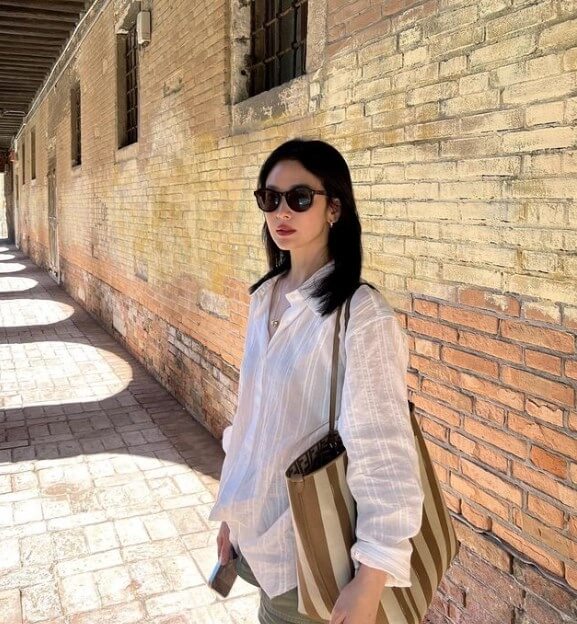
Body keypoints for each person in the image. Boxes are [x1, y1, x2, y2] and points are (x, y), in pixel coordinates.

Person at [208, 138, 424, 624]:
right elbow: (251, 420)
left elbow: (383, 447)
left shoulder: (361, 315)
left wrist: (372, 577)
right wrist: (231, 515)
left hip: (313, 552)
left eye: (300, 197)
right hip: (259, 537)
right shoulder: (264, 297)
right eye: (270, 198)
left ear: (334, 209)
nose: (282, 211)